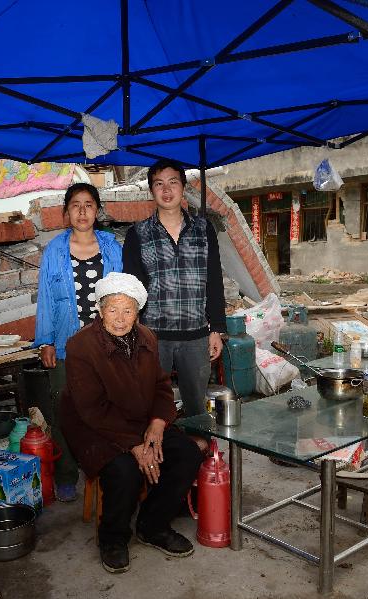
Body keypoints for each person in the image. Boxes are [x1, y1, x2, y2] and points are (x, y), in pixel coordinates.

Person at [60, 272, 204, 574]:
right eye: (112, 309)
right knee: (124, 469)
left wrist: (157, 424)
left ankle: (152, 525)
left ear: (138, 313)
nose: (120, 318)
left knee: (187, 452)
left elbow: (162, 387)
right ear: (100, 311)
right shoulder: (80, 346)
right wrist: (136, 445)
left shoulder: (148, 338)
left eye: (128, 310)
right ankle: (112, 539)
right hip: (94, 427)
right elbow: (91, 408)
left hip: (140, 419)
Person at [32, 182, 123, 502]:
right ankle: (67, 474)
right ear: (66, 212)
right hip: (66, 343)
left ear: (97, 211)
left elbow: (125, 293)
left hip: (107, 344)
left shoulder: (112, 248)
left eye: (88, 205)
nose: (82, 211)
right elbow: (45, 299)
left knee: (109, 407)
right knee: (65, 410)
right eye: (75, 205)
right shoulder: (54, 251)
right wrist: (45, 342)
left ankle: (109, 469)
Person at [122, 159, 227, 416]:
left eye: (172, 183)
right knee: (152, 406)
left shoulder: (204, 229)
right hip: (153, 336)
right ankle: (158, 454)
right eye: (159, 184)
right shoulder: (138, 234)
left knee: (197, 408)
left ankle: (200, 451)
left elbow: (214, 280)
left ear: (182, 187)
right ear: (151, 190)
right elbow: (133, 289)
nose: (166, 190)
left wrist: (217, 329)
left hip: (196, 334)